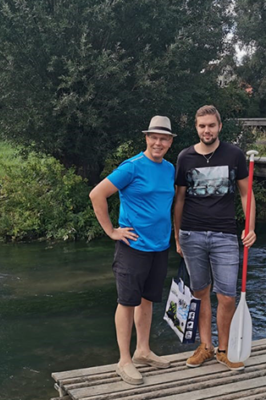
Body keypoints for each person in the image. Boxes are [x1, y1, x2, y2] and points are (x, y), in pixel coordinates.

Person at [89, 115, 176, 385]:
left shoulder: (170, 168)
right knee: (127, 302)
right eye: (154, 137)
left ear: (170, 142)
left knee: (148, 300)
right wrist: (111, 231)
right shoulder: (132, 167)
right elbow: (97, 194)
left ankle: (143, 351)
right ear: (146, 138)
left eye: (163, 138)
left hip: (160, 247)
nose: (158, 142)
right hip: (133, 246)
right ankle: (124, 360)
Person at [174, 105, 256, 371]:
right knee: (200, 293)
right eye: (202, 126)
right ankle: (205, 347)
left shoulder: (234, 154)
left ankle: (225, 349)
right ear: (196, 128)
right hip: (191, 233)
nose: (206, 130)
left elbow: (246, 194)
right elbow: (180, 199)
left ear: (220, 126)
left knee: (227, 296)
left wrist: (250, 227)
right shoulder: (185, 157)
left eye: (211, 125)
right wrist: (177, 236)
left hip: (225, 234)